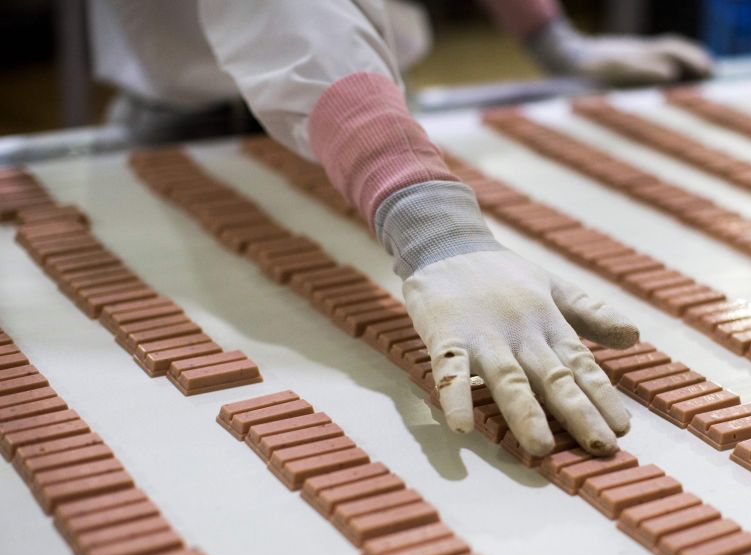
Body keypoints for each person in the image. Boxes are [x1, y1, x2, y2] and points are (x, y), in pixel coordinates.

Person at [90, 0, 713, 458]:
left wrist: (551, 36)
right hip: (198, 127)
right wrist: (430, 226)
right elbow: (291, 20)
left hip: (370, 106)